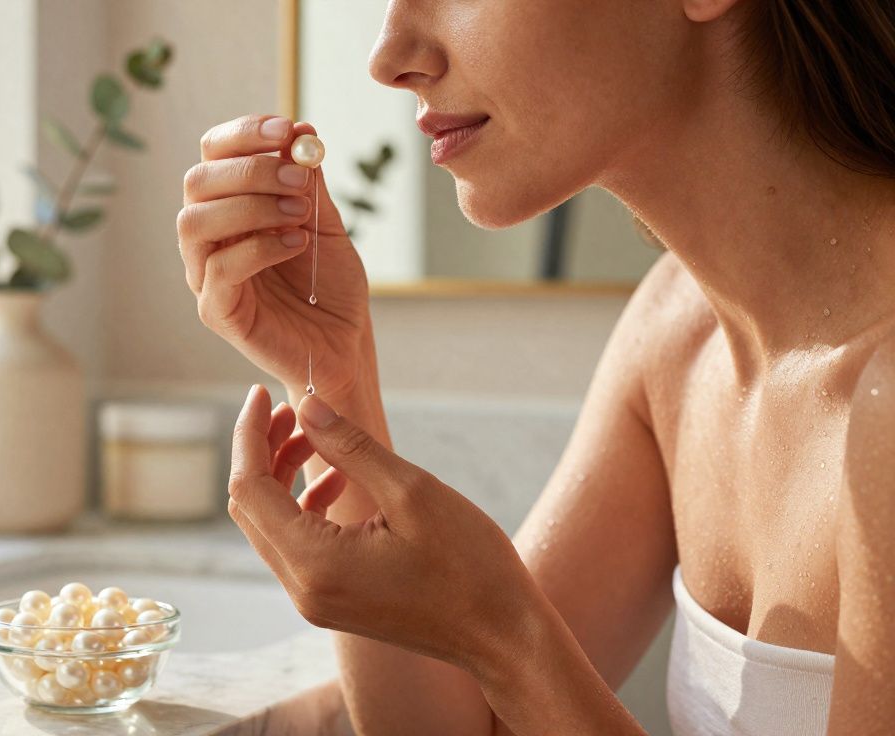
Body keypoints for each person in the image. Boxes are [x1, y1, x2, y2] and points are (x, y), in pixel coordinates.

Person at [175, 0, 895, 733]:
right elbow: (469, 727)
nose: (389, 55)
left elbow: (512, 673)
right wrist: (333, 375)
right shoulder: (680, 335)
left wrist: (504, 634)